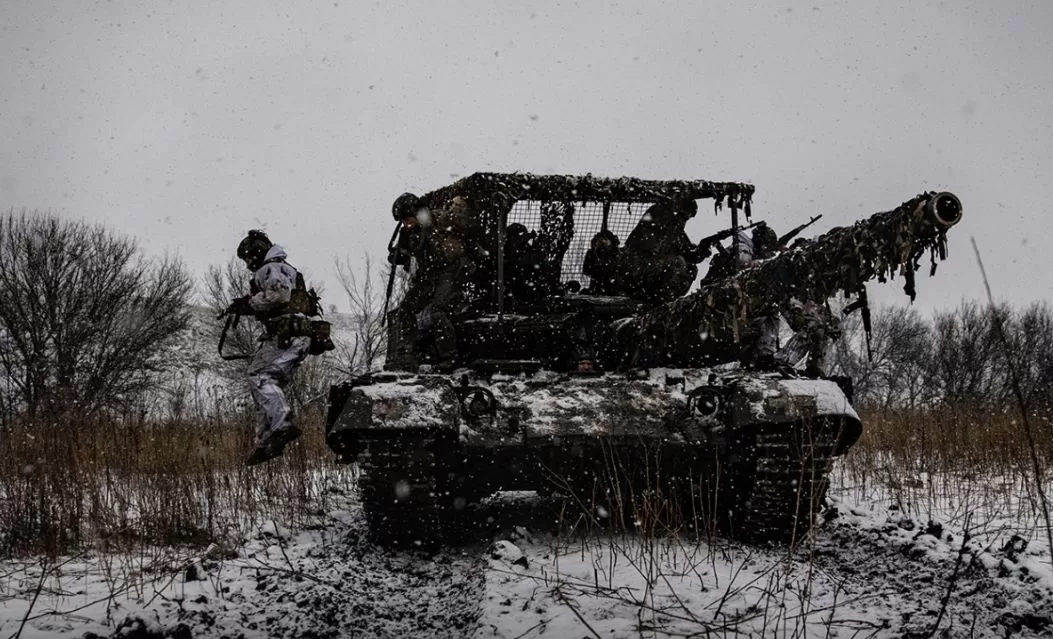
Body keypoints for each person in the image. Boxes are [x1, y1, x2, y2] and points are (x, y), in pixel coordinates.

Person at [230, 230, 319, 466]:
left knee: (260, 376)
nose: (248, 264)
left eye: (248, 258)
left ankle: (283, 425)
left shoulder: (273, 268)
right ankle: (266, 440)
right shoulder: (282, 268)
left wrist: (248, 304)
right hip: (292, 335)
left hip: (287, 335)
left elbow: (279, 295)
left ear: (256, 252)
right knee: (265, 385)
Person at [386, 195, 485, 371]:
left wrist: (474, 256)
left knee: (438, 311)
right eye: (403, 221)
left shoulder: (442, 219)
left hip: (451, 272)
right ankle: (406, 357)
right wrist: (397, 256)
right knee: (405, 310)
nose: (406, 224)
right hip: (428, 276)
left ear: (417, 214)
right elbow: (404, 253)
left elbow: (470, 230)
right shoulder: (408, 233)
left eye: (408, 220)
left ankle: (449, 358)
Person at [616, 195, 709, 303]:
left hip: (649, 270)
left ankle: (663, 299)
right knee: (677, 262)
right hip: (636, 264)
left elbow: (688, 254)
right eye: (684, 217)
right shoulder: (660, 217)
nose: (683, 222)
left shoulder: (675, 232)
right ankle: (660, 299)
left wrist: (701, 252)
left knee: (690, 268)